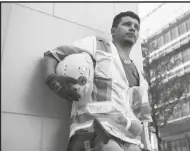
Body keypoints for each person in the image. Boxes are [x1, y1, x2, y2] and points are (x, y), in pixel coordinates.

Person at [42, 11, 152, 151]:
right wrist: (52, 80)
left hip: (131, 141)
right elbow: (52, 56)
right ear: (113, 31)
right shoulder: (98, 45)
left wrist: (146, 146)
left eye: (136, 27)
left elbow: (143, 119)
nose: (133, 28)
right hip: (96, 133)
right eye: (127, 24)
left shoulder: (140, 77)